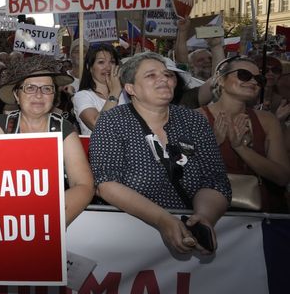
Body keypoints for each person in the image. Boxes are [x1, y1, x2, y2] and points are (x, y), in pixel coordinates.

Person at [89, 52, 231, 256]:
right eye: (151, 75)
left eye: (167, 75)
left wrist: (203, 217)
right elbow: (106, 183)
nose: (164, 79)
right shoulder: (112, 122)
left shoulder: (194, 121)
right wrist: (163, 221)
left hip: (189, 231)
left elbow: (215, 180)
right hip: (128, 237)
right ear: (130, 88)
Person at [0, 55, 94, 226]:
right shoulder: (1, 127)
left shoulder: (64, 129)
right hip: (10, 219)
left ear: (54, 95)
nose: (39, 95)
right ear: (17, 95)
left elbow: (83, 184)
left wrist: (49, 223)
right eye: (30, 88)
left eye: (46, 89)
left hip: (55, 215)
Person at [198, 56, 290, 212]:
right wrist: (213, 145)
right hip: (210, 213)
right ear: (221, 80)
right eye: (244, 75)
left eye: (258, 79)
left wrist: (241, 148)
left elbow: (282, 177)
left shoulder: (267, 120)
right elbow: (182, 174)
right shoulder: (195, 118)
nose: (253, 82)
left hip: (263, 218)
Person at [72, 44, 127, 135]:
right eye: (101, 62)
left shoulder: (126, 93)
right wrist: (114, 92)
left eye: (112, 62)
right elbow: (97, 126)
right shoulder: (82, 96)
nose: (108, 67)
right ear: (89, 67)